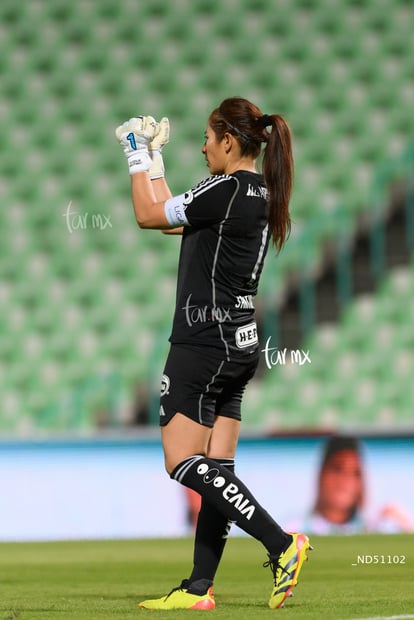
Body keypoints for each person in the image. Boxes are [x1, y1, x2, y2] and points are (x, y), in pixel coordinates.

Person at [115, 97, 312, 610]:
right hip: (240, 343)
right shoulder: (259, 192)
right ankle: (199, 587)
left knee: (181, 462)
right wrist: (157, 165)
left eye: (207, 137)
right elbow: (173, 219)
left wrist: (134, 151)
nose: (202, 147)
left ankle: (282, 543)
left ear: (229, 139)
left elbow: (144, 215)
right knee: (216, 470)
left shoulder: (225, 189)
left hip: (203, 344)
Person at [288, 436, 414, 535]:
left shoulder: (375, 528)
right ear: (322, 474)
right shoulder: (294, 528)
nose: (345, 481)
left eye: (355, 473)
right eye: (338, 469)